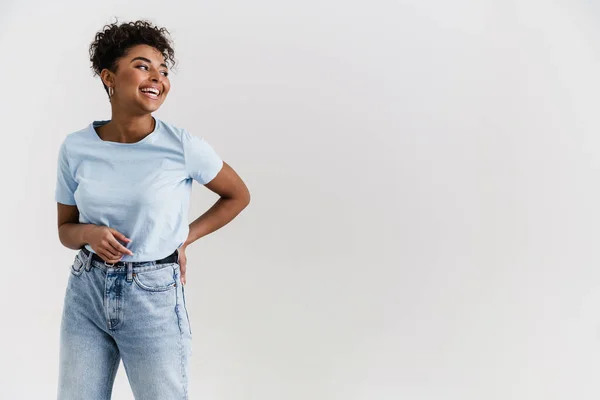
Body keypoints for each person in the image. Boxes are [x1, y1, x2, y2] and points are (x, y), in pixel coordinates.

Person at [55, 19, 250, 399]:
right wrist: (89, 234)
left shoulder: (182, 146)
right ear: (108, 77)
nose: (157, 78)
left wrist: (184, 238)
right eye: (143, 65)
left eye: (163, 70)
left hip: (153, 294)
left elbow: (237, 195)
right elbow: (65, 229)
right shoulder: (75, 147)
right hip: (86, 290)